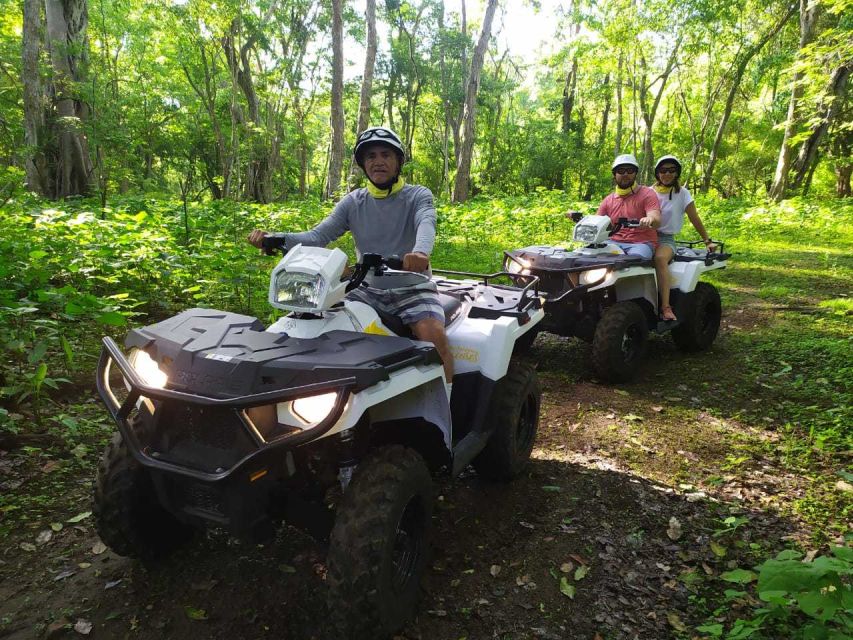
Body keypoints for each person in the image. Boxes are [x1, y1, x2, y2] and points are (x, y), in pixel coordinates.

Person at [248, 126, 454, 382]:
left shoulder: (417, 195)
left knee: (434, 336)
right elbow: (317, 236)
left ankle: (446, 403)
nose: (378, 161)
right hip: (365, 287)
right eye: (371, 156)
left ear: (398, 161)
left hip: (411, 287)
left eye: (386, 155)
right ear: (363, 164)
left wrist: (420, 253)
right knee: (318, 327)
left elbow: (426, 221)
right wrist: (275, 238)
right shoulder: (353, 202)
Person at [652, 155, 717, 321]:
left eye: (671, 170)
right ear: (657, 173)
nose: (666, 174)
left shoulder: (682, 193)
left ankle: (666, 307)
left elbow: (694, 217)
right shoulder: (648, 192)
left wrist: (707, 240)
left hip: (665, 239)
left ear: (677, 173)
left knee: (660, 259)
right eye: (663, 170)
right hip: (643, 237)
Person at [594, 154, 661, 259]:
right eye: (620, 171)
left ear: (635, 173)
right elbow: (596, 222)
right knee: (580, 259)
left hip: (641, 243)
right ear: (614, 174)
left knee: (631, 263)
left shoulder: (647, 193)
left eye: (630, 170)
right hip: (612, 242)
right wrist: (580, 218)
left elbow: (656, 220)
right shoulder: (608, 200)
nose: (625, 174)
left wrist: (650, 219)